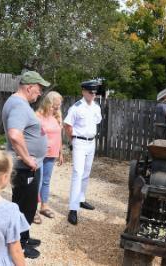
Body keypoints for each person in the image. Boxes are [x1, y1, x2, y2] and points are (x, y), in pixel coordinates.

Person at [1, 70, 50, 259]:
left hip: (25, 166)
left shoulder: (17, 103)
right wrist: (28, 158)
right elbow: (14, 134)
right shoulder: (20, 106)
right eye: (38, 89)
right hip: (24, 167)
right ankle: (19, 245)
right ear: (29, 87)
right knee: (24, 206)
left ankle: (24, 237)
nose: (39, 94)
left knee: (25, 204)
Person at [64, 79, 102, 225]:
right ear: (83, 91)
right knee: (77, 174)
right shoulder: (76, 107)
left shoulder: (96, 107)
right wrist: (72, 140)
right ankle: (73, 209)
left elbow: (97, 121)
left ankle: (81, 199)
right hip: (79, 141)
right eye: (90, 92)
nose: (93, 95)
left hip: (91, 142)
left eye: (95, 93)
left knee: (86, 173)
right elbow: (67, 125)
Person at [33, 91, 64, 224]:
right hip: (39, 154)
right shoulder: (37, 116)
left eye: (58, 106)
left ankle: (44, 206)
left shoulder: (57, 117)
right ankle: (32, 209)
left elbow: (59, 136)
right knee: (37, 182)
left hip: (52, 154)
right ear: (47, 103)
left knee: (46, 181)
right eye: (54, 106)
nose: (56, 109)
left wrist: (61, 152)